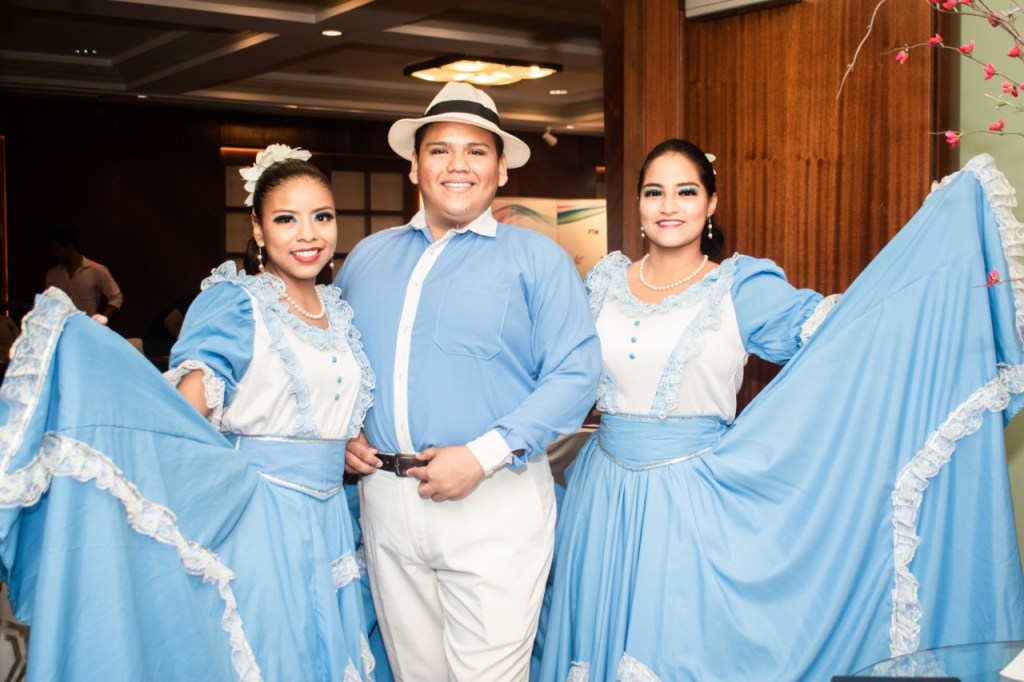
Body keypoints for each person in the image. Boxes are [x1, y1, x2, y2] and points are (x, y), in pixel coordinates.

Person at [534, 139, 1024, 680]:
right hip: (600, 495)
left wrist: (929, 261)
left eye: (686, 192)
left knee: (673, 649)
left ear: (711, 203)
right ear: (638, 203)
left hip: (691, 504)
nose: (669, 206)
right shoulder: (602, 283)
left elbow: (847, 335)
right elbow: (555, 369)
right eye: (655, 192)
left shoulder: (740, 286)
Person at [0, 144, 379, 680]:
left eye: (322, 217)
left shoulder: (337, 312)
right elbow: (183, 414)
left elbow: (323, 411)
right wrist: (112, 372)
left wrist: (343, 446)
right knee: (272, 658)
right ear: (258, 228)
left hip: (331, 521)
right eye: (286, 219)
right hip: (261, 517)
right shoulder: (238, 303)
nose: (308, 234)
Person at [338, 82, 602, 681]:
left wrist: (482, 456)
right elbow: (337, 363)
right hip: (385, 501)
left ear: (501, 169)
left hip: (495, 499)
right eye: (440, 150)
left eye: (476, 151)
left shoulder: (538, 259)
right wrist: (344, 430)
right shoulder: (366, 258)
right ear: (415, 165)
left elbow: (576, 374)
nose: (458, 165)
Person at [44, 226, 123, 320]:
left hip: (86, 324)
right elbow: (47, 302)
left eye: (57, 249)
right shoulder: (52, 274)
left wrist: (103, 318)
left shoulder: (96, 270)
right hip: (58, 325)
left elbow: (116, 297)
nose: (54, 253)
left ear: (69, 247)